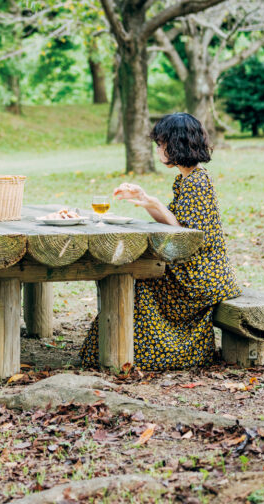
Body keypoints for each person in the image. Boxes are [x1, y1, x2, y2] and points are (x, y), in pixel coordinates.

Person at [79, 112, 241, 370]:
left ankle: (135, 353)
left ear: (175, 144)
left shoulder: (197, 183)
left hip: (201, 275)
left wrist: (153, 203)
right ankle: (118, 350)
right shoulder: (189, 179)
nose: (158, 150)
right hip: (196, 269)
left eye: (161, 144)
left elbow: (188, 237)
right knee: (134, 278)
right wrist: (145, 199)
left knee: (137, 282)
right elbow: (174, 222)